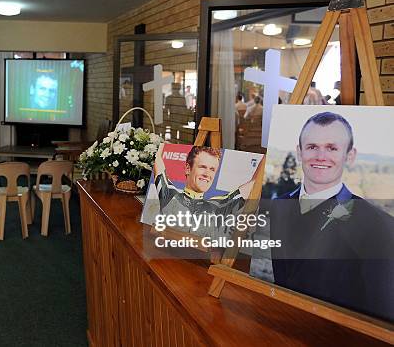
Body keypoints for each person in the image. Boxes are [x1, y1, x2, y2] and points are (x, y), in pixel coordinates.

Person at [269, 111, 394, 321]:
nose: (320, 156)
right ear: (299, 152)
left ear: (350, 155)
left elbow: (381, 314)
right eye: (312, 147)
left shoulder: (379, 225)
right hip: (280, 323)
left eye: (332, 148)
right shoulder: (280, 205)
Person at [153, 145, 255, 236]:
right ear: (188, 168)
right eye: (202, 167)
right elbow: (156, 157)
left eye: (212, 169)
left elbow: (254, 183)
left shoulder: (218, 206)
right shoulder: (170, 194)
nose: (207, 174)